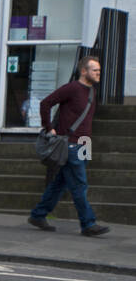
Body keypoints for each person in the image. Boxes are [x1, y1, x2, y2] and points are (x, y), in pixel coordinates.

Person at [28, 55, 109, 237]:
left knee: (60, 183)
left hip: (85, 143)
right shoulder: (72, 88)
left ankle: (38, 215)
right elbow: (45, 103)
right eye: (94, 70)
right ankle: (88, 224)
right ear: (83, 71)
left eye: (99, 70)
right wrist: (49, 128)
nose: (98, 73)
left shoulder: (91, 92)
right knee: (80, 184)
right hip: (71, 144)